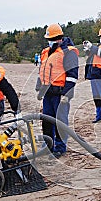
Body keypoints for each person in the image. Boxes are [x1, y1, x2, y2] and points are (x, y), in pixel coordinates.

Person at [35, 24, 79, 158]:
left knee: (60, 121)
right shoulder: (45, 52)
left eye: (52, 38)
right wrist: (39, 87)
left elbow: (72, 75)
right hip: (48, 93)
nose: (50, 41)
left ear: (59, 38)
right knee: (47, 120)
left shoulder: (69, 52)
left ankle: (60, 147)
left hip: (60, 93)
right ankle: (48, 145)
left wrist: (67, 94)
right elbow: (42, 70)